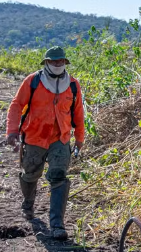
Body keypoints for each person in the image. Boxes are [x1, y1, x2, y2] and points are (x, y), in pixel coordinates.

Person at [6, 46, 85, 240]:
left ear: (65, 63)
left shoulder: (73, 85)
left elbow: (78, 114)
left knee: (59, 176)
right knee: (30, 174)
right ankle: (28, 203)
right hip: (34, 137)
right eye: (53, 61)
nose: (57, 64)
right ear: (46, 62)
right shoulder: (33, 81)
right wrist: (12, 131)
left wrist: (80, 138)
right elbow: (17, 105)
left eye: (60, 61)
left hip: (61, 138)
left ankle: (57, 224)